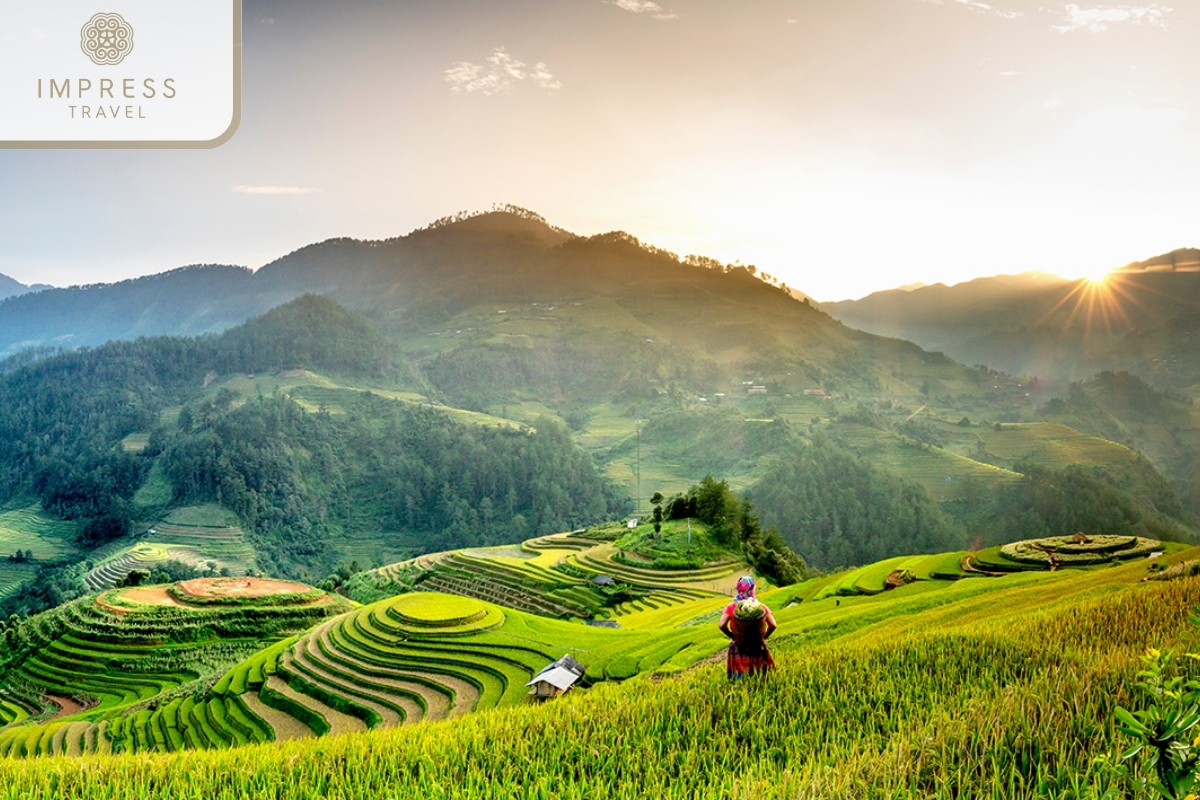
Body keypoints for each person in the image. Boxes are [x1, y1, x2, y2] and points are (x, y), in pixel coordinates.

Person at [718, 576, 777, 680]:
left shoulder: (732, 607)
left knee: (739, 677)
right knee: (760, 675)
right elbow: (773, 625)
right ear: (751, 589)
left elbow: (721, 625)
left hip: (739, 645)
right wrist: (763, 637)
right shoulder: (760, 607)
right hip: (757, 645)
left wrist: (733, 636)